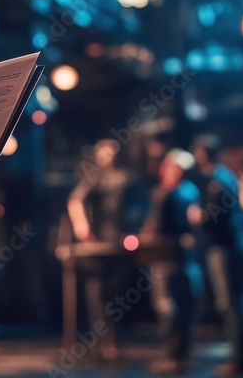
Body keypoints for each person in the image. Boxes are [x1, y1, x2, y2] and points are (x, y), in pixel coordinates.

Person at [188, 135, 243, 375]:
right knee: (238, 302)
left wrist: (199, 217)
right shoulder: (225, 176)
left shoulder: (218, 180)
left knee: (230, 304)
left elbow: (216, 218)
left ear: (203, 154)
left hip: (225, 248)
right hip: (234, 246)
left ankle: (241, 359)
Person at [66, 138, 132, 361]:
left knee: (116, 293)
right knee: (96, 293)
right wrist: (82, 226)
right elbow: (75, 200)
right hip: (97, 244)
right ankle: (100, 342)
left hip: (118, 242)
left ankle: (113, 342)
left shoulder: (124, 177)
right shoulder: (94, 178)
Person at [142, 148, 205, 375]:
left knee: (170, 306)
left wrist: (145, 242)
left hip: (171, 259)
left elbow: (154, 227)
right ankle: (179, 355)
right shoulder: (190, 191)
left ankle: (175, 356)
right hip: (184, 258)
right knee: (181, 307)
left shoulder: (168, 194)